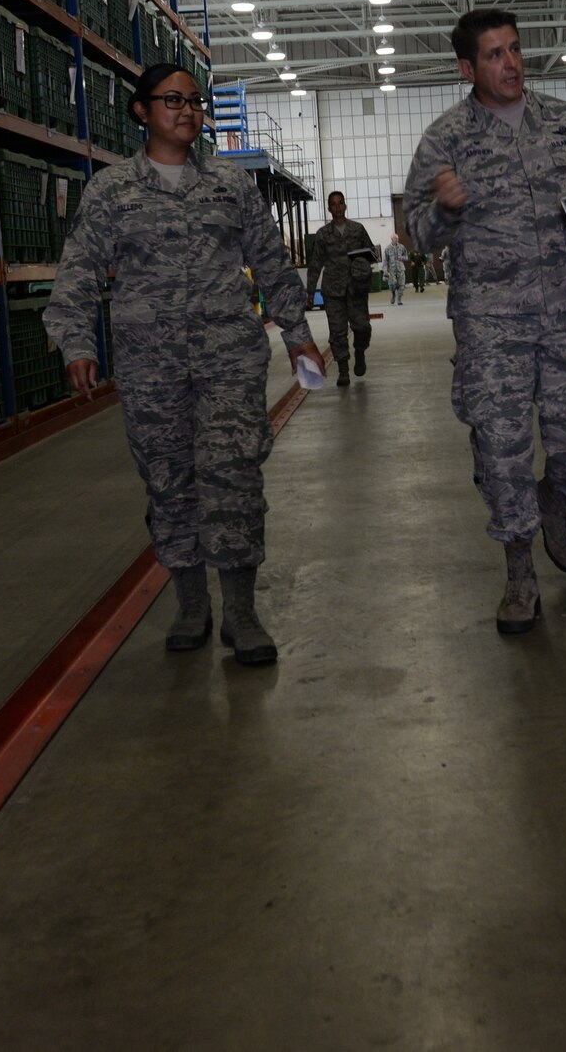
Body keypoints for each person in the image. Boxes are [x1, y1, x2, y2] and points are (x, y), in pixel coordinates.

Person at [46, 62, 326, 666]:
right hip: (152, 368)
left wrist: (299, 336)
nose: (188, 111)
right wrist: (77, 343)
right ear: (141, 110)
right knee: (170, 483)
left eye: (196, 102)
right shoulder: (112, 191)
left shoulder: (230, 184)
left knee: (234, 477)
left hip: (229, 359)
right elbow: (78, 273)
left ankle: (242, 612)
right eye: (172, 100)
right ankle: (191, 603)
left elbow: (272, 263)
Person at [405, 9, 566, 635]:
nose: (511, 64)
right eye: (494, 55)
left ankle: (555, 501)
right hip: (492, 327)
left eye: (515, 50)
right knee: (503, 449)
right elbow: (413, 233)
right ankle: (518, 571)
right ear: (467, 69)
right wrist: (444, 209)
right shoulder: (446, 139)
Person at [306, 191, 378, 385]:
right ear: (329, 208)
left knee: (362, 327)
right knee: (337, 332)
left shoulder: (357, 229)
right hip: (333, 290)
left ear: (345, 206)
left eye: (340, 203)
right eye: (333, 204)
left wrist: (363, 263)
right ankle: (343, 371)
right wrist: (310, 292)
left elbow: (373, 252)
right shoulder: (323, 235)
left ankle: (360, 351)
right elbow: (315, 265)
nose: (337, 208)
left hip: (356, 288)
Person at [383, 233, 407, 305]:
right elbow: (385, 260)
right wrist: (385, 270)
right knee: (392, 284)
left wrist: (402, 258)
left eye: (397, 238)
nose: (397, 240)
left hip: (401, 269)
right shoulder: (387, 248)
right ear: (392, 239)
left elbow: (406, 256)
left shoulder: (402, 247)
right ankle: (393, 295)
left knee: (401, 285)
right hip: (392, 270)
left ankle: (399, 299)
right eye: (395, 239)